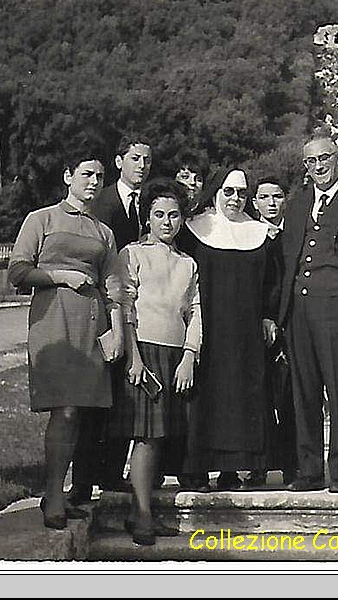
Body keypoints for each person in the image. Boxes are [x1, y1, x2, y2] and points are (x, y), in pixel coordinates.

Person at [8, 156, 124, 529]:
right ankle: (54, 493)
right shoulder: (40, 219)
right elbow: (18, 271)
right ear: (67, 176)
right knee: (66, 410)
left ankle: (62, 490)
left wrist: (118, 332)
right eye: (87, 174)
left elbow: (115, 286)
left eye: (100, 176)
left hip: (93, 324)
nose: (94, 181)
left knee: (81, 414)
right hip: (54, 322)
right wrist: (61, 276)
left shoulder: (104, 232)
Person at [279, 134, 338, 492]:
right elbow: (288, 256)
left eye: (324, 159)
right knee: (304, 391)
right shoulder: (298, 204)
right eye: (310, 162)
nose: (318, 167)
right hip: (299, 308)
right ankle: (309, 470)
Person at [177, 167, 281, 491]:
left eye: (241, 193)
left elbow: (272, 282)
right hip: (208, 328)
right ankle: (198, 469)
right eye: (229, 192)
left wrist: (267, 315)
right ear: (216, 192)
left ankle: (234, 469)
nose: (235, 199)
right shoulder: (195, 230)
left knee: (242, 397)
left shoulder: (259, 234)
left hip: (246, 333)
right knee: (207, 398)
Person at [110, 179, 200, 545]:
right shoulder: (131, 254)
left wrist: (189, 355)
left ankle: (141, 511)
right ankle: (143, 514)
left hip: (174, 353)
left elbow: (195, 311)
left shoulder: (188, 263)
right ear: (146, 218)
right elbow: (124, 306)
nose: (167, 222)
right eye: (159, 215)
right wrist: (133, 356)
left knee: (162, 437)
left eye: (174, 215)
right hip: (143, 351)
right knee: (145, 437)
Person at [68, 135, 152, 503]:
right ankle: (84, 481)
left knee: (125, 397)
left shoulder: (149, 204)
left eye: (147, 160)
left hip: (136, 310)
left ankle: (112, 472)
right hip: (100, 307)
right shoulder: (99, 203)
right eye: (135, 158)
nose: (142, 166)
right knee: (93, 399)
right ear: (119, 162)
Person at [246, 176, 297, 488]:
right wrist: (265, 316)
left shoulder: (293, 236)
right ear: (256, 203)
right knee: (260, 397)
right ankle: (258, 466)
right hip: (259, 324)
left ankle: (292, 465)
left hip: (290, 323)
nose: (272, 203)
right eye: (264, 197)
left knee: (290, 396)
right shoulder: (250, 236)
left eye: (277, 196)